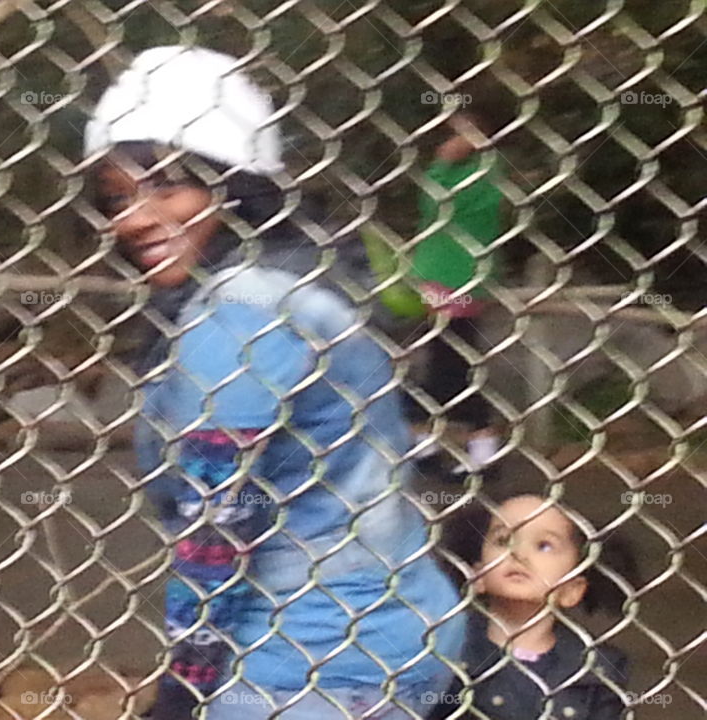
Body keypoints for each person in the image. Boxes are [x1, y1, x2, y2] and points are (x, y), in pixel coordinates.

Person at [83, 46, 465, 719]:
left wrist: (184, 688)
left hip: (308, 654)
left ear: (232, 186)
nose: (134, 218)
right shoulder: (306, 277)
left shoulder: (237, 313)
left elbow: (220, 518)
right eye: (118, 197)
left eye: (166, 185)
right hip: (403, 619)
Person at [432, 493, 635, 719]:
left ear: (571, 589)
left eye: (544, 546)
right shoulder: (447, 648)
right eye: (503, 540)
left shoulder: (595, 669)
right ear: (477, 575)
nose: (519, 554)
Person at [407, 110, 505, 480]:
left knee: (450, 366)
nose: (449, 142)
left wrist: (442, 161)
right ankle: (430, 446)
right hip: (441, 280)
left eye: (461, 132)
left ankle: (478, 449)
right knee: (442, 363)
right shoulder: (463, 172)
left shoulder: (482, 176)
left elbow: (435, 204)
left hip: (457, 280)